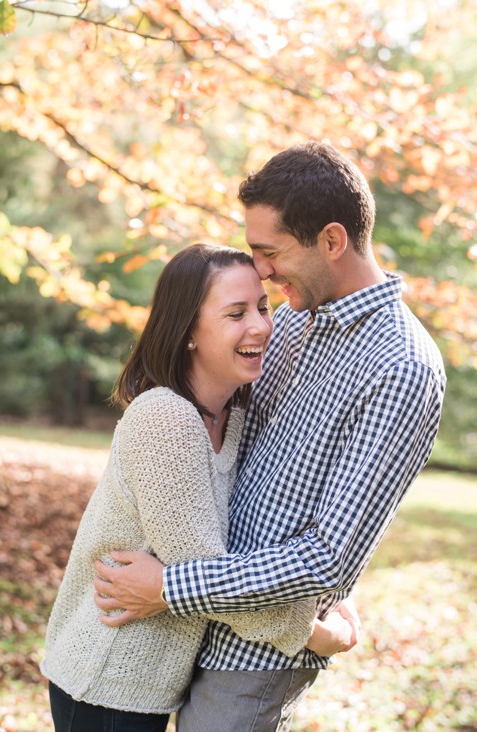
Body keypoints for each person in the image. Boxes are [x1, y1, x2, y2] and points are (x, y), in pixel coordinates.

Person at [93, 142, 446, 731]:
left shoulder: (401, 367)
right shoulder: (291, 317)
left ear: (332, 241)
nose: (259, 269)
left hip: (253, 658)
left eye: (269, 251)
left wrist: (171, 586)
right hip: (182, 631)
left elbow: (327, 559)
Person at [42, 244, 357, 732]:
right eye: (235, 313)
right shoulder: (165, 418)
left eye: (262, 306)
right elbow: (207, 579)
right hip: (106, 678)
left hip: (150, 686)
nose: (260, 326)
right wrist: (318, 633)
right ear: (188, 330)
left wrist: (330, 595)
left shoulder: (232, 422)